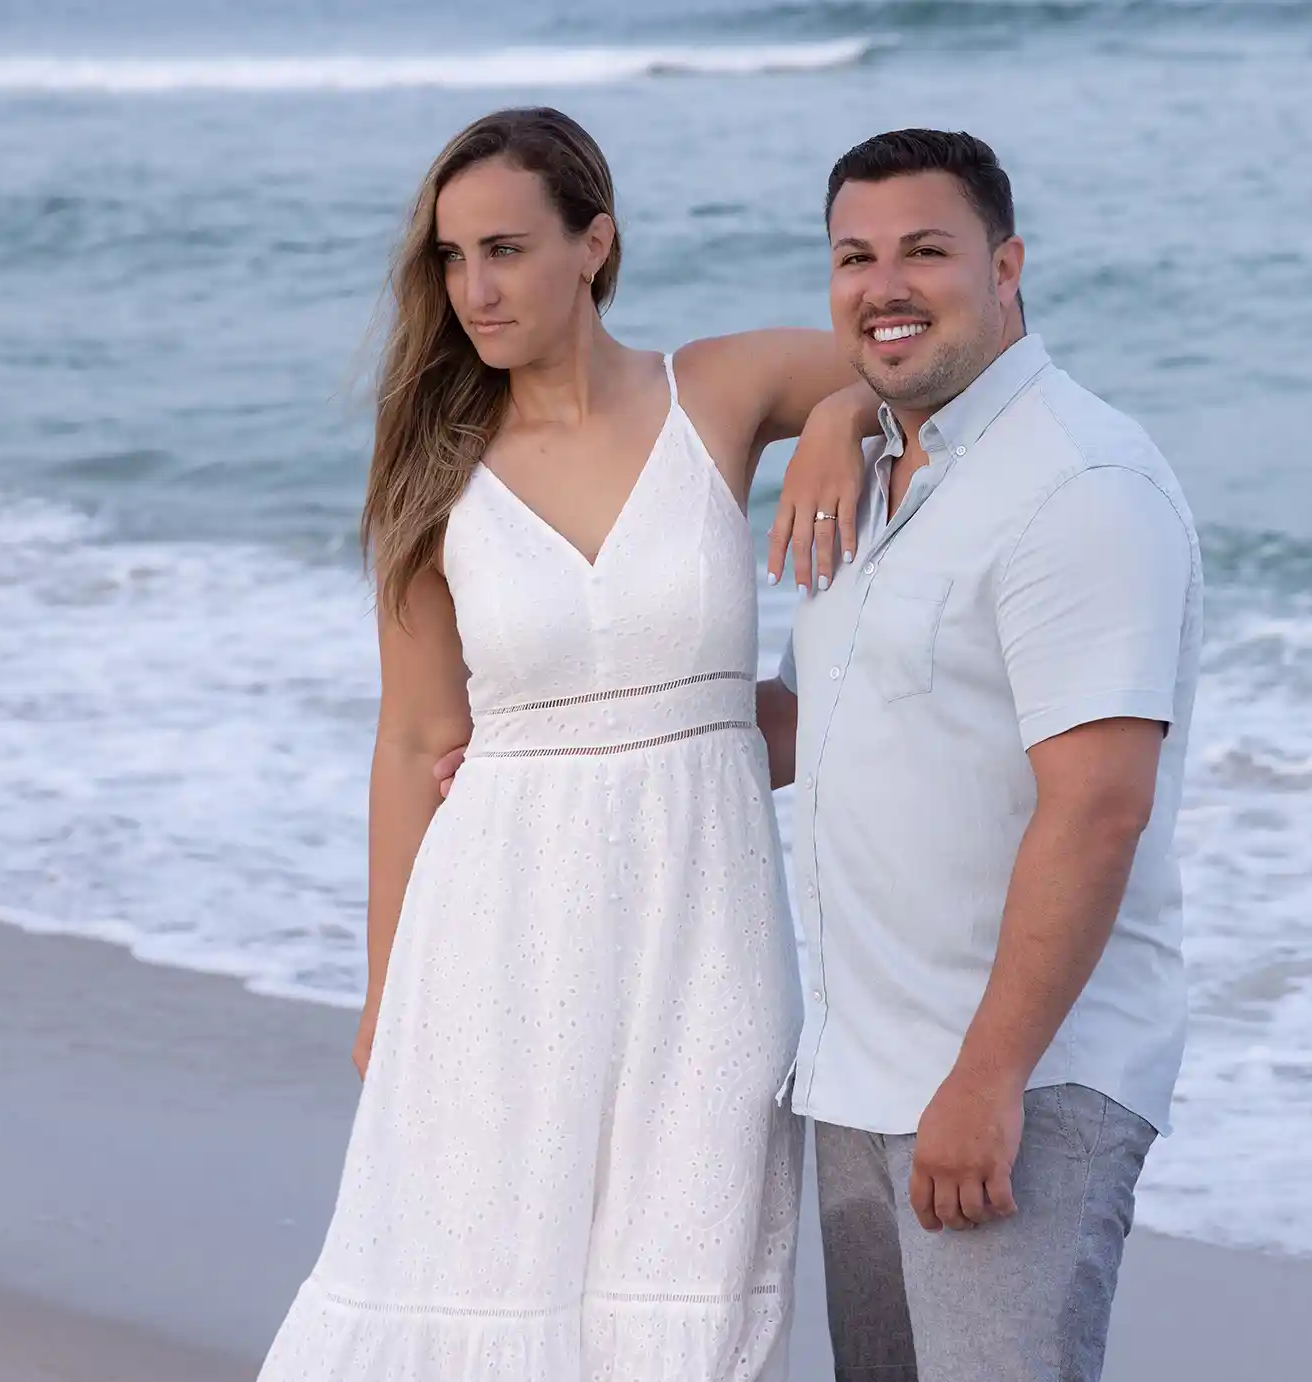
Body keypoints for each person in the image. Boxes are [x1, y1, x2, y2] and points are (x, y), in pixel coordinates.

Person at [254, 106, 870, 1381]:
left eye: (506, 249)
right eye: (450, 258)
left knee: (688, 1278)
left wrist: (832, 420)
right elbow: (417, 732)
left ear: (596, 244)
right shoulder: (436, 461)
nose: (474, 289)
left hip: (709, 918)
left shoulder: (717, 389)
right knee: (480, 1276)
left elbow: (926, 362)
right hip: (497, 919)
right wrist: (385, 991)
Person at [767, 129, 1204, 1382]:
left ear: (1006, 266)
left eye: (925, 251)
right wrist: (558, 736)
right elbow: (812, 726)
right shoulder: (883, 477)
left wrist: (987, 1075)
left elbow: (1098, 808)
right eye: (855, 256)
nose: (884, 285)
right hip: (861, 1072)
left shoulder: (1079, 482)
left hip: (1016, 1081)